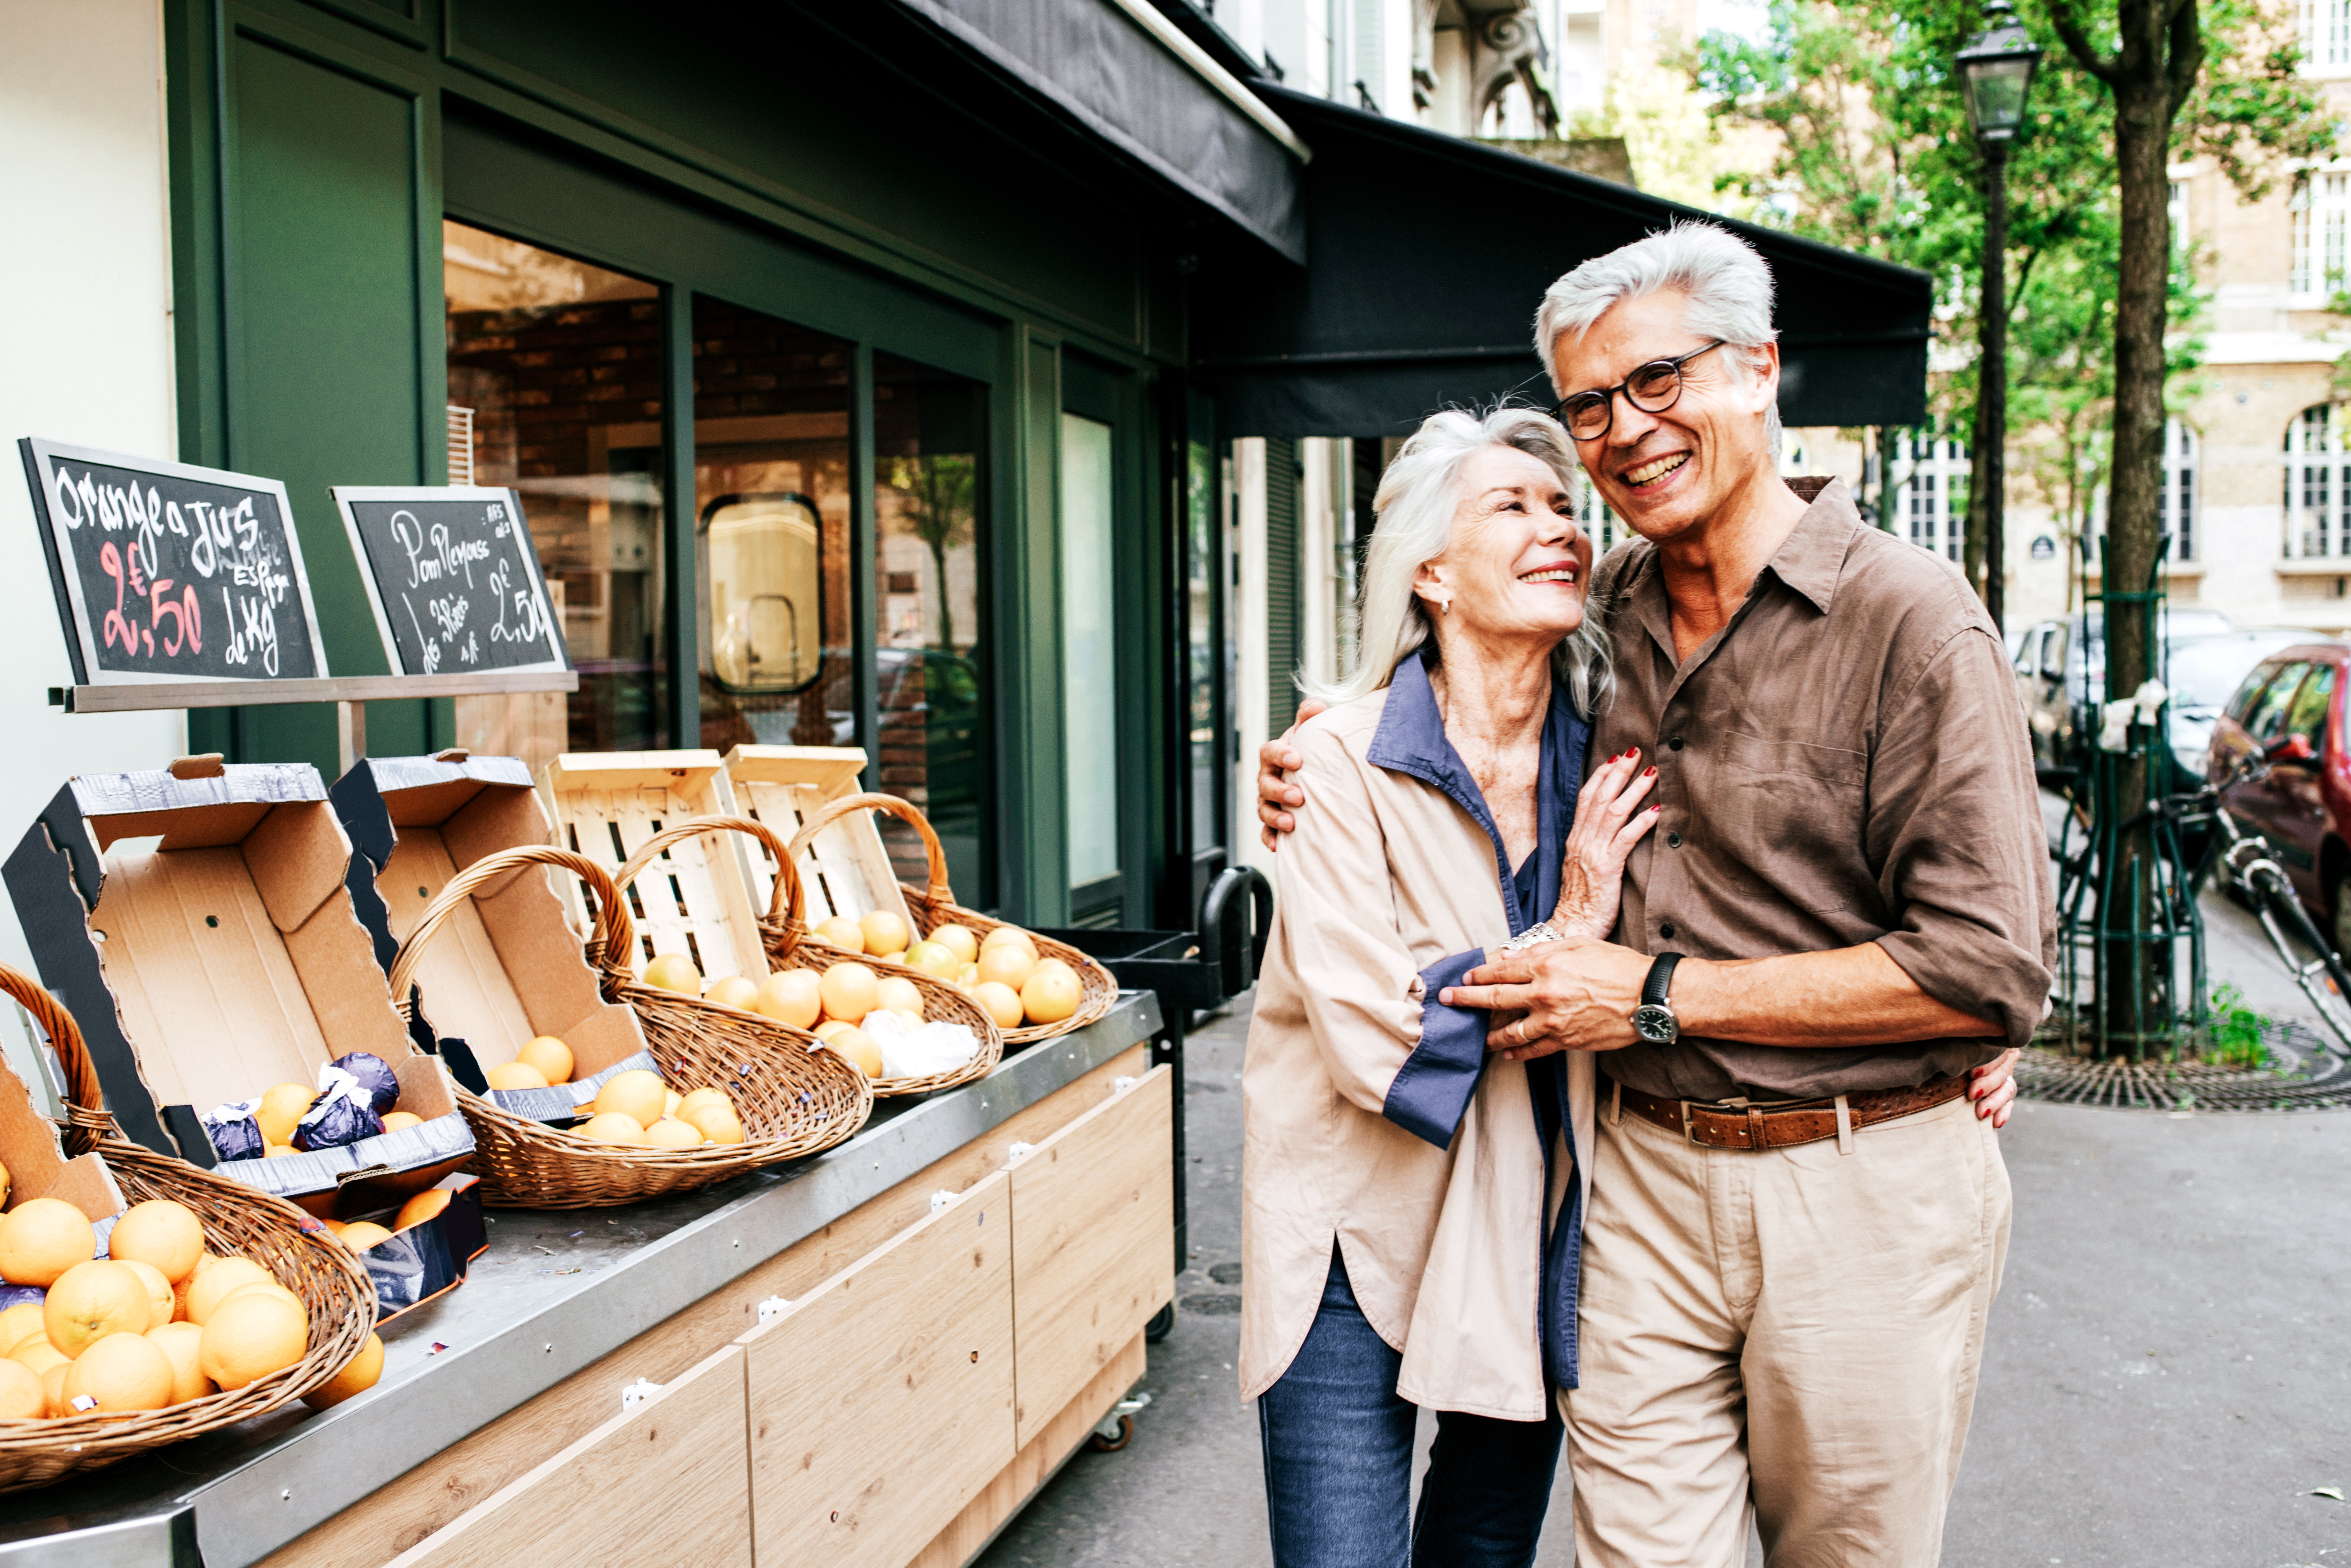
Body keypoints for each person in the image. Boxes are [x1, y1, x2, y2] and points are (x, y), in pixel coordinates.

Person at [1256, 221, 2047, 1566]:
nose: (1618, 435)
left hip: (1855, 1182)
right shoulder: (1600, 620)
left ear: (1758, 370)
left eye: (1656, 381)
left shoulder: (1911, 619)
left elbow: (1984, 964)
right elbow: (1442, 692)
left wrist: (1668, 998)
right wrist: (1312, 754)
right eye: (1588, 406)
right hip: (1631, 1193)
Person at [1243, 405, 1659, 1566]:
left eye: (1563, 508)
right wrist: (1575, 931)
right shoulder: (1335, 761)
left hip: (1528, 1222)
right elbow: (1377, 1034)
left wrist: (1956, 1027)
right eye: (1511, 506)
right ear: (1429, 569)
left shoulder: (1615, 765)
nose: (1556, 529)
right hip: (1347, 1234)